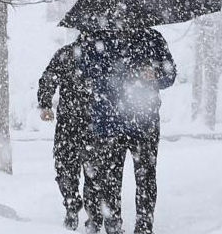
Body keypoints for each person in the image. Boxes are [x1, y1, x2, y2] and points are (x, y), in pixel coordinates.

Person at [79, 28, 176, 234]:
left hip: (144, 122)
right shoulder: (97, 38)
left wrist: (155, 74)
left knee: (146, 177)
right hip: (110, 122)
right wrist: (111, 73)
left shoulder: (153, 38)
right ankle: (114, 226)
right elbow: (85, 72)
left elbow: (170, 75)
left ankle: (144, 226)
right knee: (110, 179)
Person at [39, 38, 99, 231]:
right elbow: (49, 77)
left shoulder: (71, 53)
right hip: (84, 122)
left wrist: (46, 103)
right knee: (82, 170)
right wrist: (45, 103)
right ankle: (78, 207)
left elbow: (49, 77)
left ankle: (82, 209)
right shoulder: (74, 54)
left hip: (82, 123)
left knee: (73, 169)